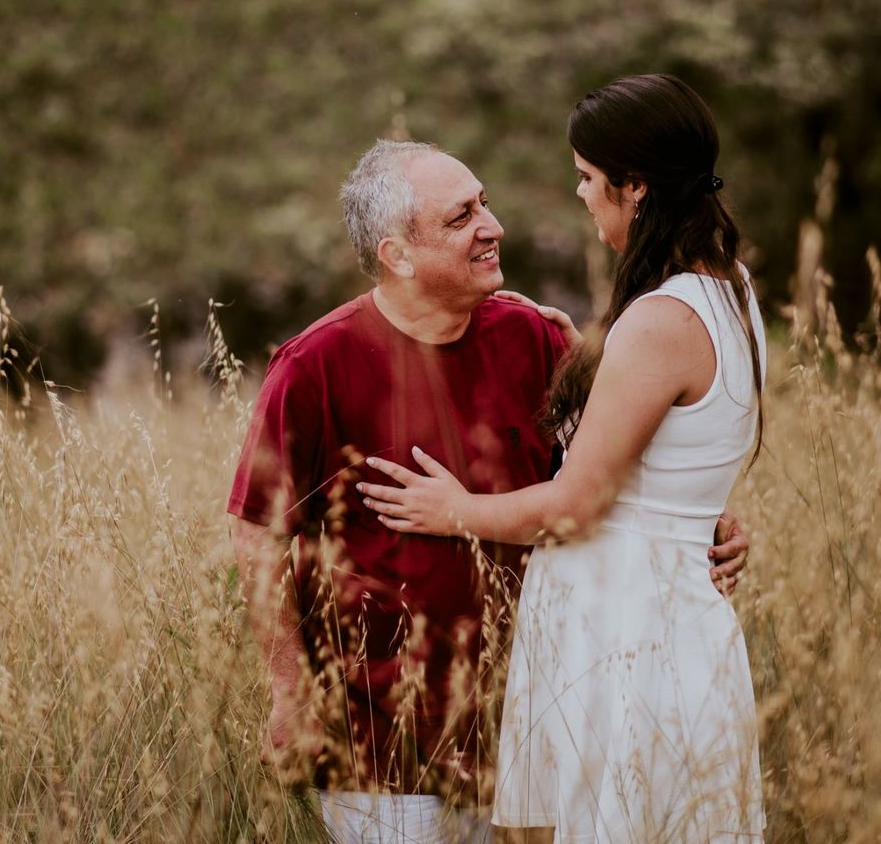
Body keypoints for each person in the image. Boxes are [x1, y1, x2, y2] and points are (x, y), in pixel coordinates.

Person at [228, 137, 751, 843]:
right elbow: (258, 531)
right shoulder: (315, 365)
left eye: (484, 204)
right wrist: (289, 692)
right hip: (384, 746)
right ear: (397, 255)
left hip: (535, 733)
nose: (491, 225)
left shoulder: (534, 339)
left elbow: (615, 469)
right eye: (460, 217)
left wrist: (707, 523)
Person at [358, 75, 768, 842]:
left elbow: (576, 505)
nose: (579, 195)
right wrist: (588, 348)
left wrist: (453, 511)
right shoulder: (726, 289)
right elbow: (669, 456)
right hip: (653, 610)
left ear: (634, 188)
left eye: (587, 178)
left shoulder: (660, 318)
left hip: (623, 630)